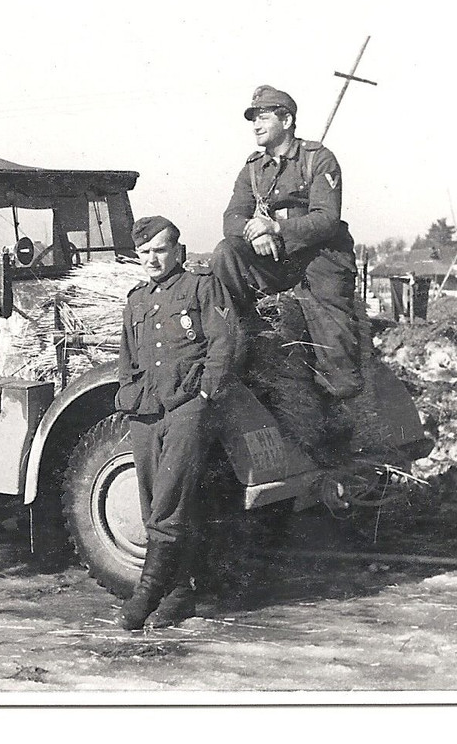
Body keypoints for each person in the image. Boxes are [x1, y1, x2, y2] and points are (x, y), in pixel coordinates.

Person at [114, 216, 238, 630]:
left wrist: (205, 396)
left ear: (177, 251)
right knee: (154, 503)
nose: (152, 258)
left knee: (169, 502)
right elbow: (127, 358)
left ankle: (145, 596)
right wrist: (129, 397)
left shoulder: (200, 287)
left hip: (187, 407)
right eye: (145, 252)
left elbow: (226, 341)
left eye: (160, 250)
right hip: (147, 411)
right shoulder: (136, 300)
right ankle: (180, 592)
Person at [211, 85, 364, 400]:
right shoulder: (253, 168)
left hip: (322, 258)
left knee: (333, 342)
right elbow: (232, 220)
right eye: (253, 119)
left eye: (263, 117)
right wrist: (260, 233)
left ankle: (347, 416)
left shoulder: (318, 159)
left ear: (287, 120)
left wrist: (276, 227)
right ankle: (244, 337)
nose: (256, 125)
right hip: (278, 258)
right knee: (226, 254)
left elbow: (326, 219)